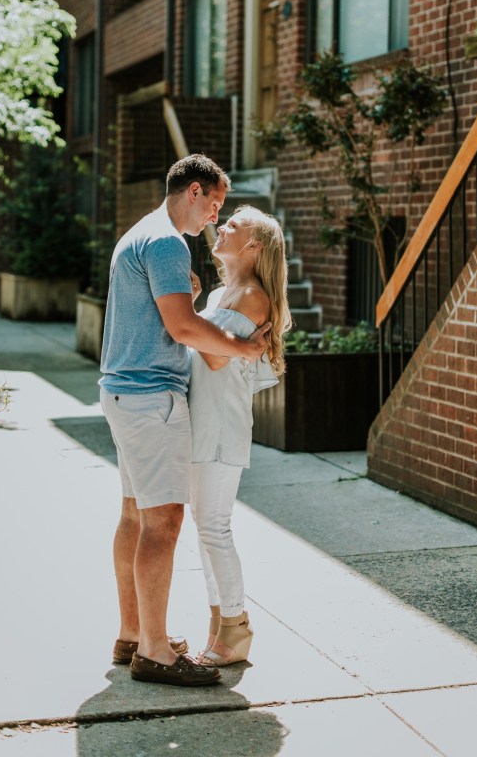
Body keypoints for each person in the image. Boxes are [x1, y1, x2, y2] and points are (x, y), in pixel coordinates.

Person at [99, 156, 271, 687]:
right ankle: (154, 650)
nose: (215, 218)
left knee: (134, 516)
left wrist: (193, 306)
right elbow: (181, 329)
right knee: (164, 522)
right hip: (152, 398)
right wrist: (241, 347)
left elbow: (168, 317)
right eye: (214, 204)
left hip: (124, 390)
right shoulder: (169, 242)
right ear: (193, 191)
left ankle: (133, 634)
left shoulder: (140, 234)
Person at [188, 206, 291, 665]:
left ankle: (234, 630)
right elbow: (209, 347)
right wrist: (191, 312)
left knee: (214, 528)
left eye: (232, 225)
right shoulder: (220, 294)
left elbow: (214, 358)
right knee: (205, 528)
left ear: (253, 246)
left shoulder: (251, 296)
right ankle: (219, 629)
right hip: (202, 423)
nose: (221, 227)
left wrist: (180, 318)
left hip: (221, 428)